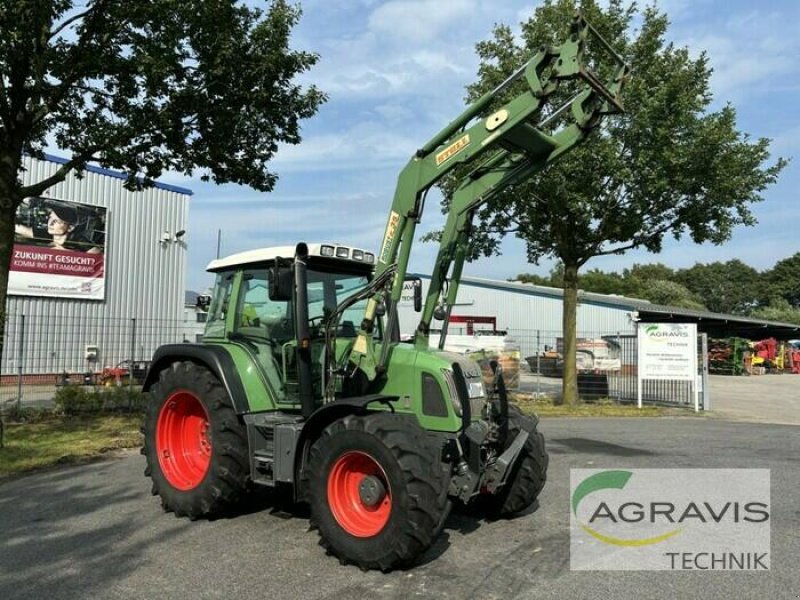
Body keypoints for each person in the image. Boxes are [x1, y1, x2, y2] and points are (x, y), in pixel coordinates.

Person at [15, 201, 101, 253]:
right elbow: (21, 229)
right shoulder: (48, 234)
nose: (50, 223)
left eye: (57, 221)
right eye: (50, 218)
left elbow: (97, 256)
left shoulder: (77, 241)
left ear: (70, 228)